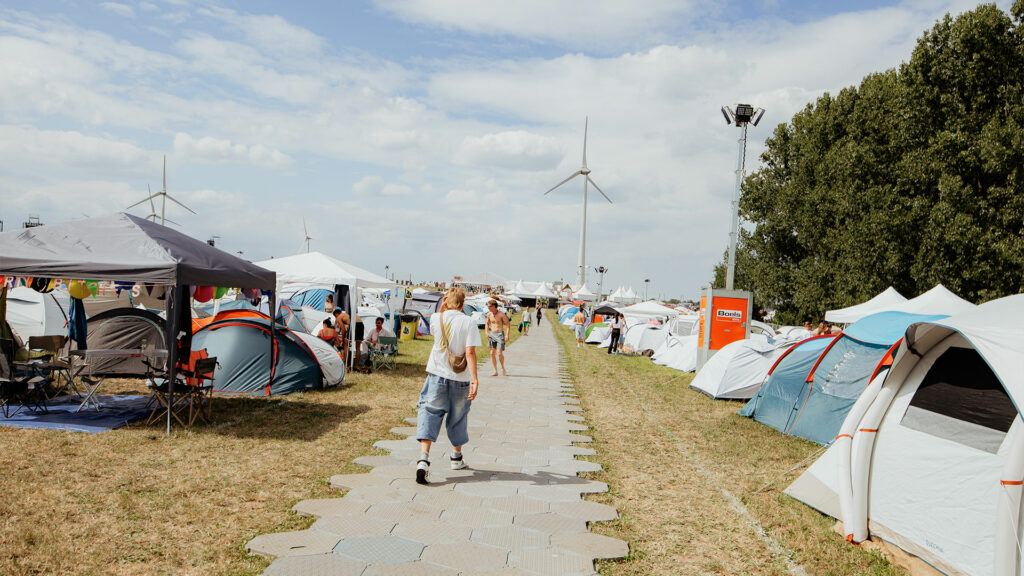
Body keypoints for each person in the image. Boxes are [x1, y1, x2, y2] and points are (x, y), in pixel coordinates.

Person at [416, 287, 480, 485]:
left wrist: (443, 306)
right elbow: (470, 352)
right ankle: (456, 457)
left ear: (445, 301)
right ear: (463, 303)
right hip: (460, 379)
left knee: (429, 413)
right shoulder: (469, 322)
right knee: (458, 417)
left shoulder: (437, 318)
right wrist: (475, 380)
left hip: (437, 375)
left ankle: (423, 459)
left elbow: (438, 320)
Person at [485, 299, 511, 376]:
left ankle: (502, 367)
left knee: (499, 353)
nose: (488, 307)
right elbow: (487, 323)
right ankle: (495, 371)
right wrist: (486, 332)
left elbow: (508, 325)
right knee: (492, 353)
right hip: (492, 334)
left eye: (489, 306)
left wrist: (507, 335)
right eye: (488, 306)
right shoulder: (489, 314)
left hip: (500, 334)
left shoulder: (501, 314)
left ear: (494, 306)